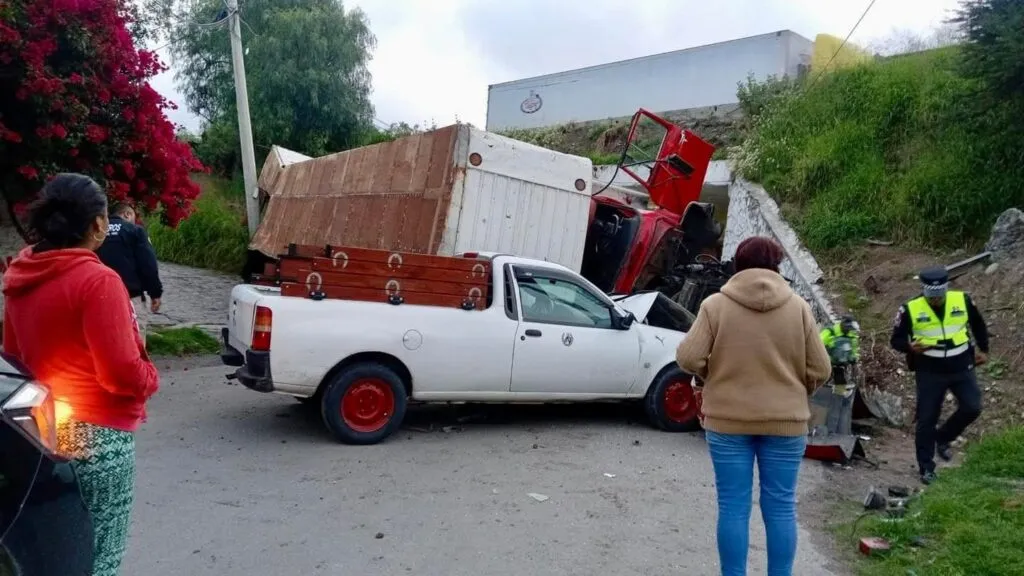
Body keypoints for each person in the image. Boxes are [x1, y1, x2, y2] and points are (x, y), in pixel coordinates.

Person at [2, 173, 160, 576]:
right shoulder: (98, 281)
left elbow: (14, 363)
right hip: (100, 440)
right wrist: (150, 377)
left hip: (41, 437)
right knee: (100, 559)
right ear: (97, 224)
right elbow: (121, 373)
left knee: (55, 559)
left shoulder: (20, 279)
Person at [676, 236, 831, 576]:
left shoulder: (715, 306)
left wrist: (710, 374)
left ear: (737, 264)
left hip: (727, 421)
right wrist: (793, 387)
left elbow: (687, 357)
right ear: (777, 265)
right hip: (786, 423)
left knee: (733, 506)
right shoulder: (799, 308)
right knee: (781, 509)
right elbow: (821, 368)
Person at [890, 265, 988, 485]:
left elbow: (978, 325)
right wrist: (910, 347)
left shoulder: (962, 300)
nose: (936, 300)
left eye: (939, 296)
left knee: (973, 407)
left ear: (946, 290)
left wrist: (984, 349)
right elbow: (895, 340)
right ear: (924, 291)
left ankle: (943, 437)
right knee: (926, 419)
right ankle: (926, 467)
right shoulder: (909, 309)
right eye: (931, 296)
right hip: (930, 370)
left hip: (961, 365)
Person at [95, 202, 163, 336]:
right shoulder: (135, 231)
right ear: (127, 214)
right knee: (134, 341)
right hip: (131, 297)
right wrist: (155, 293)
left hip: (99, 296)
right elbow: (148, 264)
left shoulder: (96, 232)